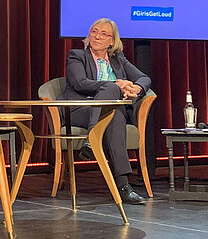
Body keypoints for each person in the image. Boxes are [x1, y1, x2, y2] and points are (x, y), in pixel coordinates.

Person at [58, 18, 151, 205]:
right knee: (112, 90)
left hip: (109, 112)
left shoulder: (119, 60)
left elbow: (144, 77)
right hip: (79, 109)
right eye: (94, 31)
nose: (97, 36)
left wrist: (137, 89)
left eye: (103, 34)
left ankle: (123, 185)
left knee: (115, 114)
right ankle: (122, 184)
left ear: (112, 41)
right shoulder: (76, 55)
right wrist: (117, 85)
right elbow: (80, 83)